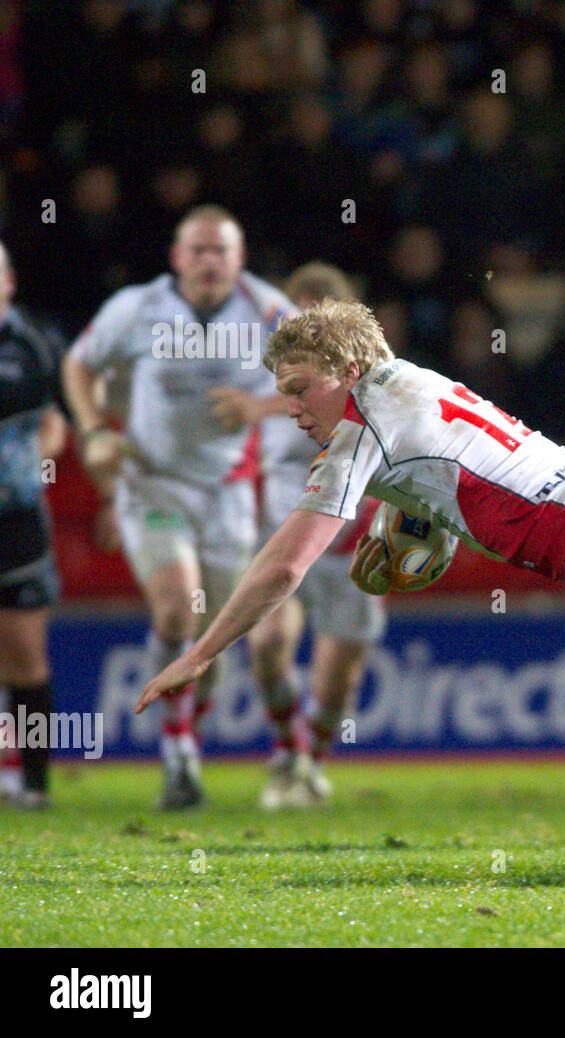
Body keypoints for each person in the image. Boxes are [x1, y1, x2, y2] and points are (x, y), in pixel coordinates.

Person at [134, 300, 565, 787]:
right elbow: (454, 470)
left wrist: (199, 654)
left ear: (349, 372)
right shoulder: (410, 381)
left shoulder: (361, 430)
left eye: (298, 389)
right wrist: (410, 517)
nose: (290, 410)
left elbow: (286, 566)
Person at [62, 205, 295, 810]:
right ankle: (178, 756)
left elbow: (328, 377)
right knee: (176, 613)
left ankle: (184, 737)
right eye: (198, 249)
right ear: (176, 257)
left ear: (240, 259)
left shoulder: (269, 310)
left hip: (230, 495)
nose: (209, 260)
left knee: (211, 646)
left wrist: (259, 408)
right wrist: (91, 430)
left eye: (221, 250)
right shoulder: (137, 307)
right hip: (152, 487)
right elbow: (78, 364)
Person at [207, 262, 385, 809]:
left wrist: (253, 408)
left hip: (351, 545)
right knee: (267, 646)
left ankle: (311, 761)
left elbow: (343, 414)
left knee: (336, 685)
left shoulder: (374, 373)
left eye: (314, 311)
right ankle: (289, 753)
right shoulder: (272, 370)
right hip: (285, 534)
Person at [0, 241, 67, 809]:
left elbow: (54, 423)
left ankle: (36, 784)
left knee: (24, 654)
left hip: (15, 519)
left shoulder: (36, 344)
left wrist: (35, 464)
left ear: (9, 280)